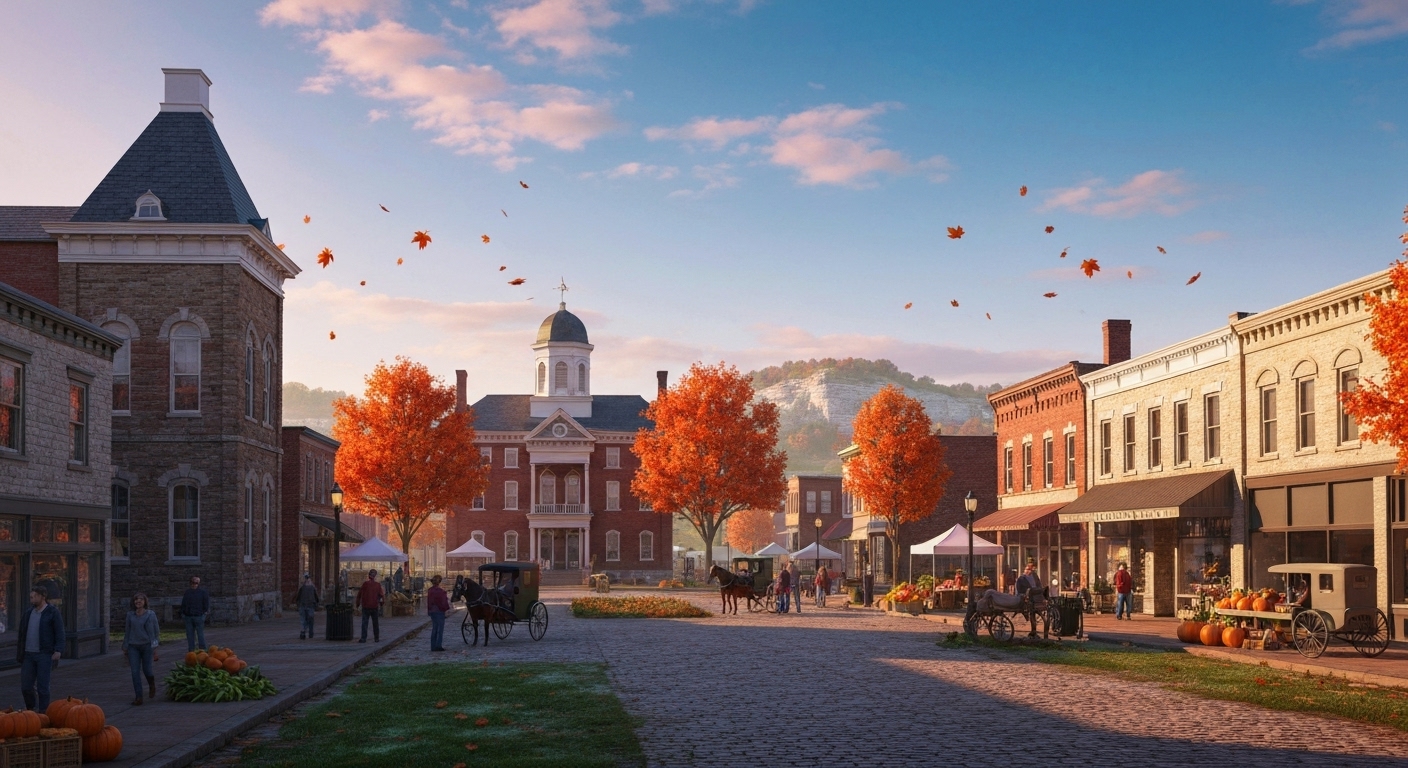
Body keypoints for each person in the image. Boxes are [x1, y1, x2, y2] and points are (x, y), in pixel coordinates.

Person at [16, 587, 63, 712]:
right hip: (28, 655)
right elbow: (22, 634)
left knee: (43, 687)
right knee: (26, 687)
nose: (32, 599)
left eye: (35, 596)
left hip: (44, 654)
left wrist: (58, 650)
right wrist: (20, 652)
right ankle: (31, 709)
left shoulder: (52, 612)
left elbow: (59, 632)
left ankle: (43, 712)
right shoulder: (28, 613)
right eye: (31, 596)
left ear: (43, 596)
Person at [123, 592, 159, 705]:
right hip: (133, 646)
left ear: (145, 602)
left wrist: (155, 646)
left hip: (147, 645)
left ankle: (151, 684)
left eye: (141, 599)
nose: (138, 601)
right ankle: (138, 697)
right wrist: (125, 646)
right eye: (136, 599)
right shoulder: (130, 615)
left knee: (147, 669)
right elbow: (127, 631)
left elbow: (156, 631)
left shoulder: (150, 614)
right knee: (135, 671)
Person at [180, 576, 210, 652]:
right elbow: (184, 603)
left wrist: (204, 614)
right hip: (188, 616)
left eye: (196, 583)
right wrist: (183, 613)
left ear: (198, 583)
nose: (194, 584)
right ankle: (191, 650)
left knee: (200, 633)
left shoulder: (203, 592)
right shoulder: (187, 592)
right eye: (192, 582)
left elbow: (206, 604)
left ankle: (202, 650)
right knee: (190, 634)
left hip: (199, 616)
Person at [356, 569, 385, 643]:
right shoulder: (377, 585)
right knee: (375, 623)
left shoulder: (365, 584)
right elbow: (381, 595)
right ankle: (376, 638)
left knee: (365, 623)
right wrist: (381, 603)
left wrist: (357, 604)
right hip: (374, 606)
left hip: (366, 606)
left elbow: (359, 594)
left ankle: (363, 638)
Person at [427, 575, 450, 652]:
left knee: (434, 628)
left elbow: (429, 602)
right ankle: (438, 645)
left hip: (432, 611)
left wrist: (429, 610)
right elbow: (443, 603)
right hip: (439, 611)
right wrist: (446, 609)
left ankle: (433, 646)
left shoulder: (430, 590)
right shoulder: (441, 592)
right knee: (440, 629)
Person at [296, 575, 319, 640]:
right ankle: (309, 632)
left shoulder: (302, 588)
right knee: (309, 619)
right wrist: (316, 604)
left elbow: (298, 597)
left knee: (304, 620)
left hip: (304, 605)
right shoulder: (312, 588)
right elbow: (316, 597)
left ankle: (304, 632)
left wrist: (298, 603)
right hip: (309, 605)